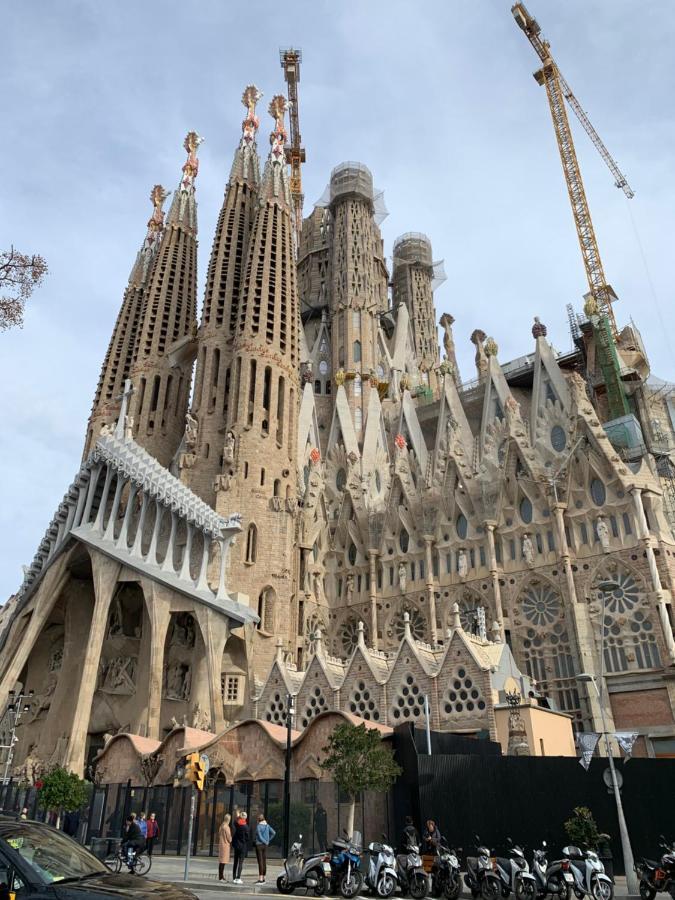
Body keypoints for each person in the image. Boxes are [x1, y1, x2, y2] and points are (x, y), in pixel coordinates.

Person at [254, 813, 276, 884]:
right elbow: (274, 833)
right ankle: (263, 878)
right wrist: (268, 840)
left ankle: (260, 879)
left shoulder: (258, 826)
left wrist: (265, 841)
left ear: (258, 820)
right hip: (265, 846)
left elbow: (260, 837)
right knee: (264, 861)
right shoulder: (267, 825)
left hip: (259, 845)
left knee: (260, 861)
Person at [232, 810, 250, 885]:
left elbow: (235, 821)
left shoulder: (237, 824)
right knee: (240, 862)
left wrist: (238, 816)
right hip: (242, 846)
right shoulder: (246, 827)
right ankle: (238, 878)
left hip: (236, 845)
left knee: (235, 861)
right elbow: (247, 838)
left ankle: (233, 877)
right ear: (245, 818)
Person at [218, 813, 232, 882]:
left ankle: (221, 876)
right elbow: (229, 838)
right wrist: (231, 839)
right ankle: (221, 877)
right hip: (225, 845)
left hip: (221, 844)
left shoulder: (221, 826)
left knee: (221, 861)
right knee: (223, 862)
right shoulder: (227, 827)